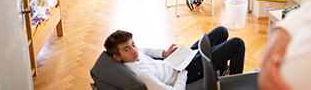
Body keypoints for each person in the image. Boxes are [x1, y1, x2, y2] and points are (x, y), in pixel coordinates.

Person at [104, 26, 245, 90]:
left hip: (174, 61)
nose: (134, 50)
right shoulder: (142, 74)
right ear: (117, 57)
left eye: (133, 44)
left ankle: (223, 69)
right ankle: (236, 83)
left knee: (222, 31)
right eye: (127, 49)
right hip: (186, 71)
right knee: (237, 43)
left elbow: (145, 50)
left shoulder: (133, 56)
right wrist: (182, 73)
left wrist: (164, 53)